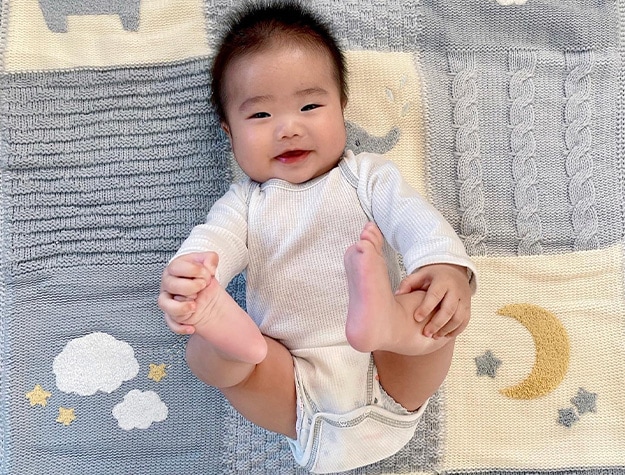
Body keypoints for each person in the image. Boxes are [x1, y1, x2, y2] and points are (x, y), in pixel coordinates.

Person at [158, 1, 477, 472]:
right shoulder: (245, 203)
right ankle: (235, 341)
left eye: (310, 105)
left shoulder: (367, 177)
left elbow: (417, 222)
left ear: (341, 109)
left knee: (431, 318)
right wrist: (192, 280)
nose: (289, 128)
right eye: (260, 116)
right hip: (291, 381)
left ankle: (387, 320)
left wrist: (444, 268)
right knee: (207, 355)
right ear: (229, 133)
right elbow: (213, 240)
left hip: (386, 366)